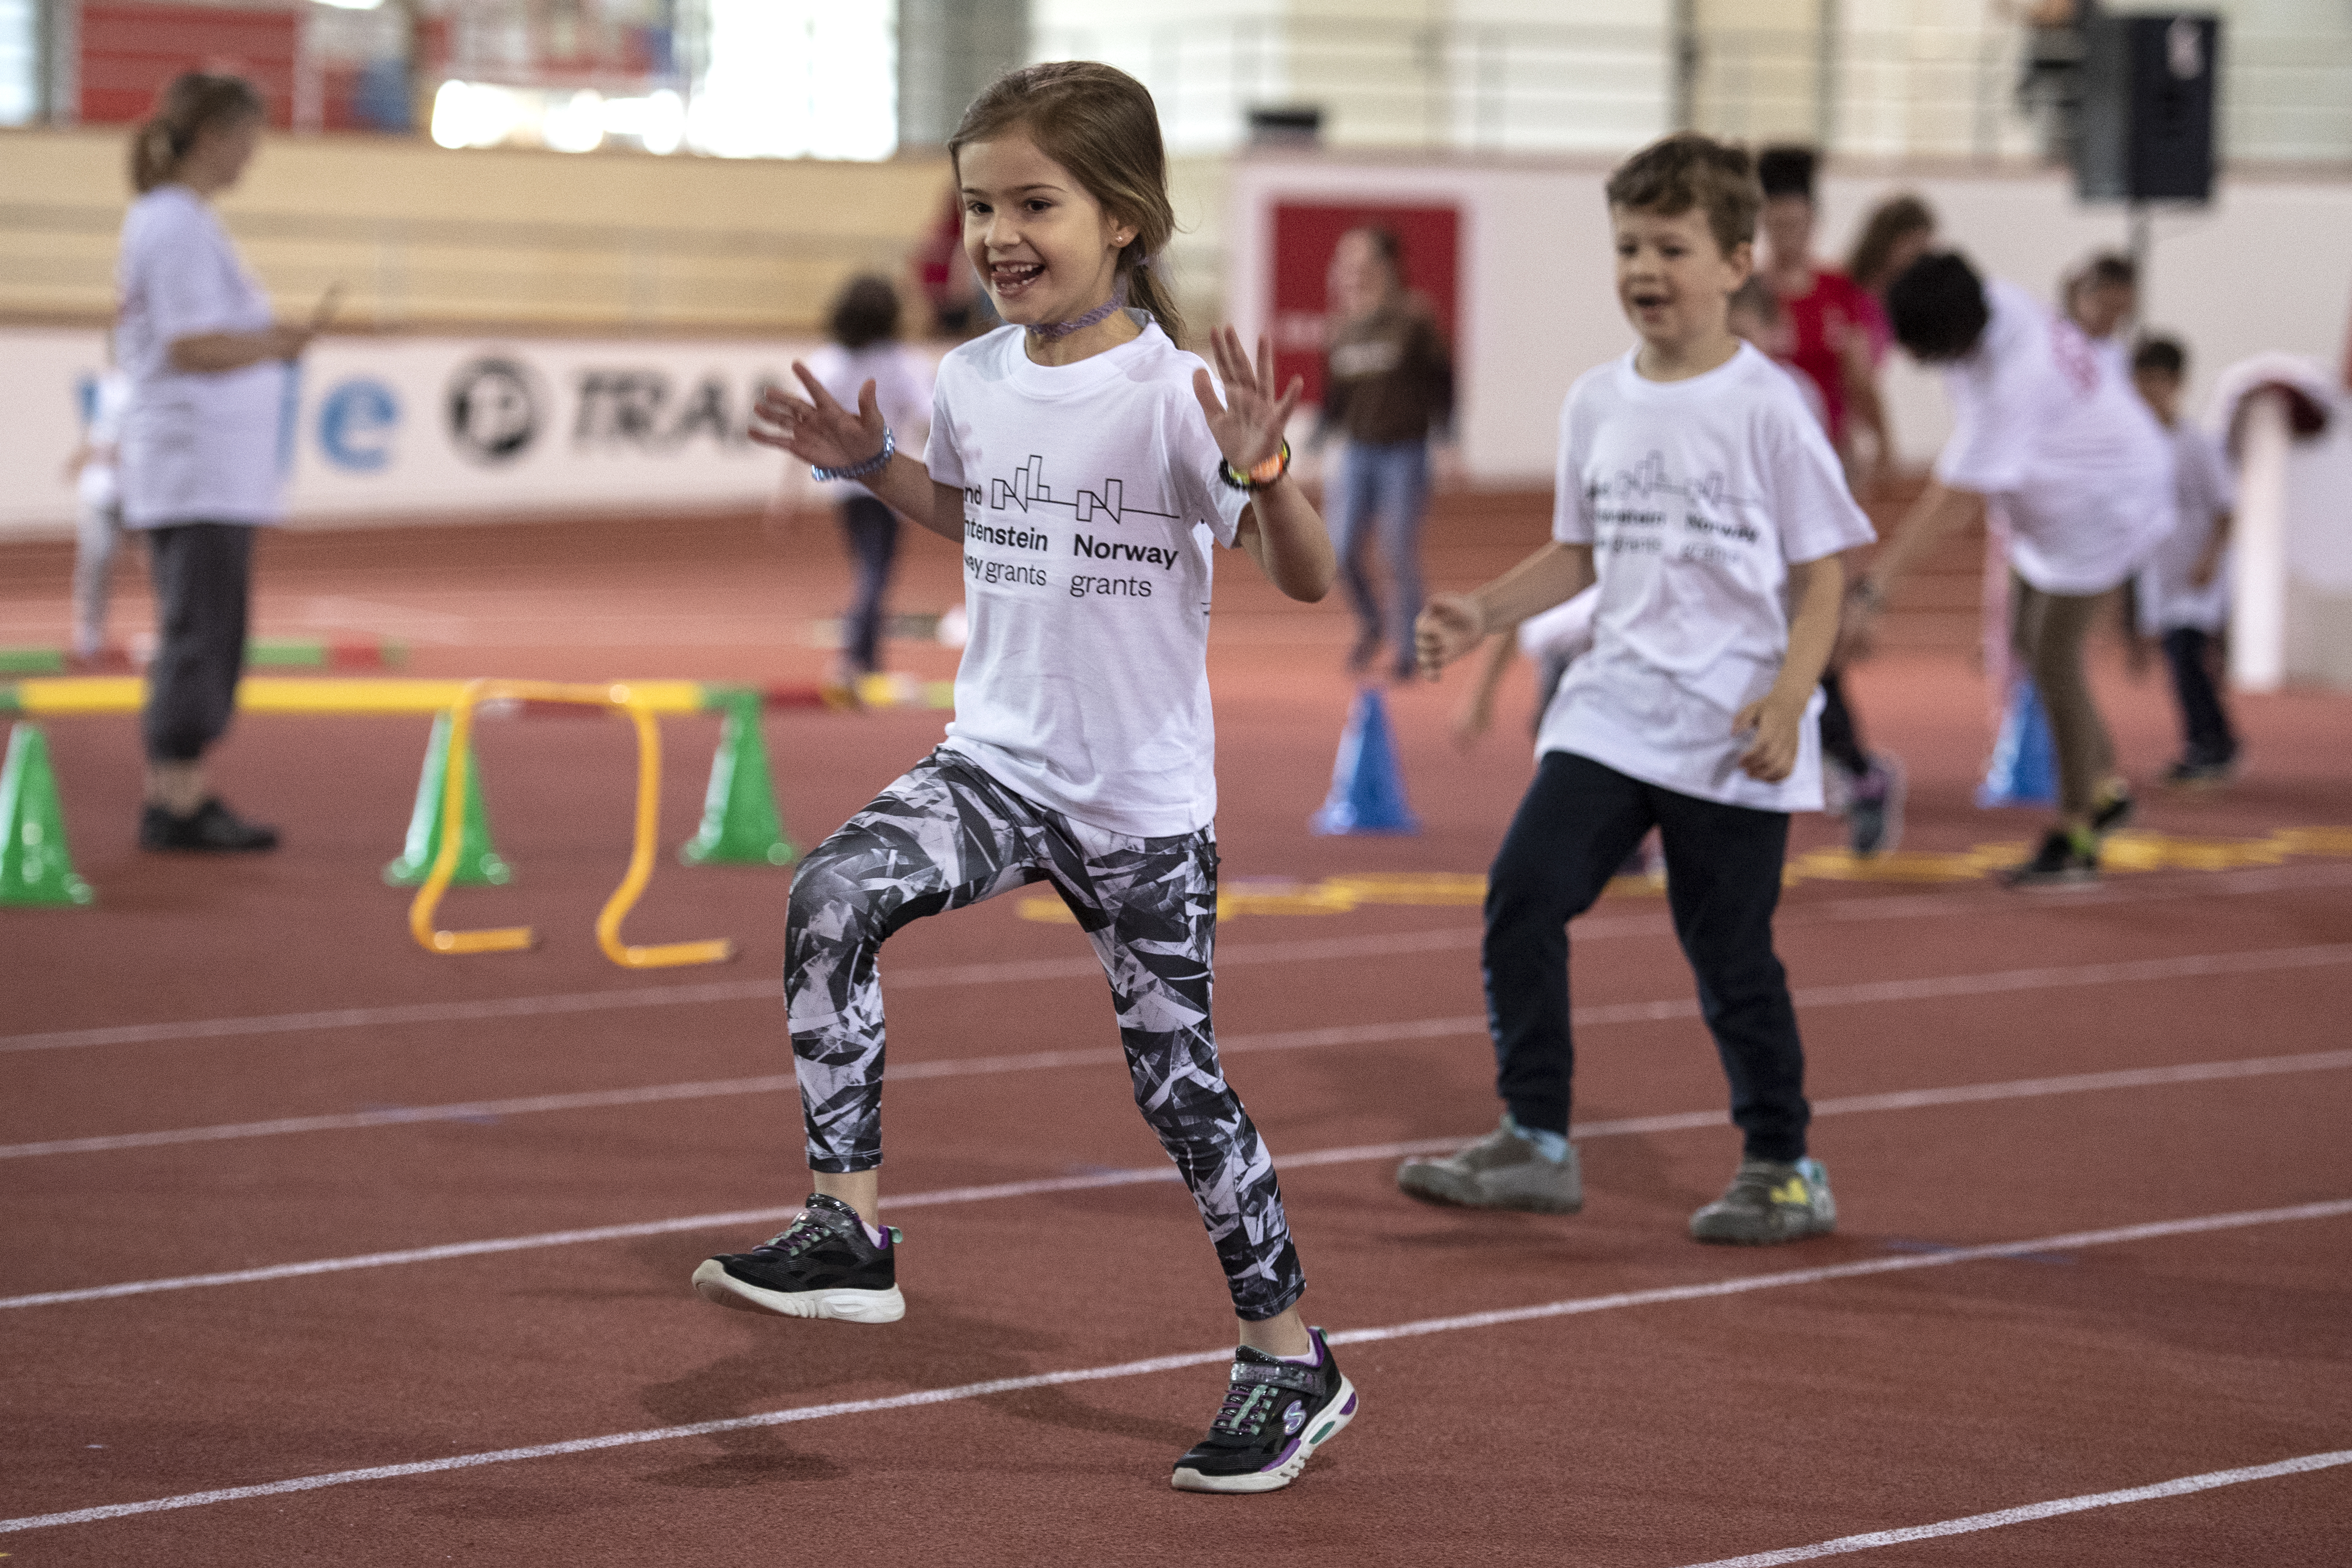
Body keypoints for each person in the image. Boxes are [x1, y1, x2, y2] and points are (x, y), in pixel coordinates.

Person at [697, 61, 1355, 1496]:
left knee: (1179, 1092)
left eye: (1031, 204)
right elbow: (977, 513)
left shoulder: (1177, 393)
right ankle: (847, 1228)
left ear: (1123, 218)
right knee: (828, 892)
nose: (994, 231)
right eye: (977, 202)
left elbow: (1306, 581)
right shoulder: (972, 376)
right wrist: (876, 464)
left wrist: (1264, 470)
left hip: (1136, 805)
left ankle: (1286, 1357)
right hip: (994, 763)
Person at [1400, 133, 1873, 1246]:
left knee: (1729, 959)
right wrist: (1484, 614)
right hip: (1613, 707)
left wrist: (1790, 698)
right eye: (1628, 247)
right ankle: (1537, 1141)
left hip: (1733, 726)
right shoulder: (1595, 403)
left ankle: (1784, 1164)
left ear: (1736, 262)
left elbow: (1824, 578)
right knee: (1523, 895)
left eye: (1671, 246)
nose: (1645, 270)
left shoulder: (1771, 407)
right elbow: (1580, 553)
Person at [1843, 252, 2173, 886]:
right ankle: (2103, 789)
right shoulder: (1996, 298)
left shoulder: (2013, 382)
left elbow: (1950, 506)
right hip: (2065, 492)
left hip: (2106, 505)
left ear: (1958, 337)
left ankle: (2078, 831)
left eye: (1926, 352)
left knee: (2053, 658)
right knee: (2028, 644)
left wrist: (1872, 594)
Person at [116, 72, 320, 852]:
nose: (251, 156)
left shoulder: (181, 222)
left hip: (207, 469)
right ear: (212, 136)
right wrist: (274, 342)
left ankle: (183, 791)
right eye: (246, 139)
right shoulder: (172, 225)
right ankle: (175, 798)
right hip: (195, 468)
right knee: (199, 631)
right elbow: (190, 343)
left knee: (205, 629)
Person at [1725, 279, 1904, 855]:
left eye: (1742, 328)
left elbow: (1821, 490)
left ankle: (1862, 773)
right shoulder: (1707, 390)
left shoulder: (1792, 393)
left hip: (1786, 565)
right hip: (1735, 564)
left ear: (1773, 330)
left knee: (1811, 676)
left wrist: (1845, 576)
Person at [1315, 226, 1456, 681]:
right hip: (1358, 451)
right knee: (1339, 550)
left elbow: (1442, 378)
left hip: (1404, 452)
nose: (1348, 272)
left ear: (1384, 266)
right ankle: (1372, 623)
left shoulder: (1413, 318)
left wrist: (1448, 433)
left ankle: (1409, 648)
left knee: (1397, 550)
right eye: (1343, 263)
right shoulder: (1341, 327)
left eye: (1358, 261)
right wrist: (1317, 435)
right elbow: (1336, 397)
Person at [804, 275, 934, 686]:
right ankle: (857, 658)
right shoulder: (902, 363)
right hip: (891, 480)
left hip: (845, 480)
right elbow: (930, 416)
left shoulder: (827, 362)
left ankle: (868, 656)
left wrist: (785, 495)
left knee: (869, 565)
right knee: (876, 569)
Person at [2129, 335, 2240, 784]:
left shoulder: (2196, 443)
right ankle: (2207, 740)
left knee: (2187, 654)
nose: (2150, 391)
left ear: (2177, 384)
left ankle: (2212, 742)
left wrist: (2210, 560)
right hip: (2160, 567)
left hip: (2197, 567)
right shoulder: (2138, 444)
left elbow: (2226, 509)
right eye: (2143, 381)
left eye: (2160, 381)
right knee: (2179, 661)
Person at [1755, 145, 1893, 490]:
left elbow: (1859, 377)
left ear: (1815, 221)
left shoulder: (1840, 289)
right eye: (1779, 225)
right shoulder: (1748, 294)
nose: (1790, 237)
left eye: (1798, 225)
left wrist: (1882, 443)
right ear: (1763, 223)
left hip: (1830, 448)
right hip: (1763, 455)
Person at [61, 351, 131, 665]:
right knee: (97, 559)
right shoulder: (108, 387)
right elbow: (96, 434)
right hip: (103, 492)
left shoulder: (150, 387)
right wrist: (81, 458)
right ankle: (89, 636)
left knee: (167, 565)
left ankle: (176, 636)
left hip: (141, 494)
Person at [1845, 193, 1937, 304]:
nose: (1917, 256)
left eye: (1922, 247)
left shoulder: (1915, 295)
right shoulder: (1844, 287)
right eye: (1912, 243)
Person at [2064, 251, 2139, 384]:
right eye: (2110, 307)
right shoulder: (2053, 345)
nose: (2115, 319)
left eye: (2121, 311)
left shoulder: (2122, 361)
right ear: (2084, 299)